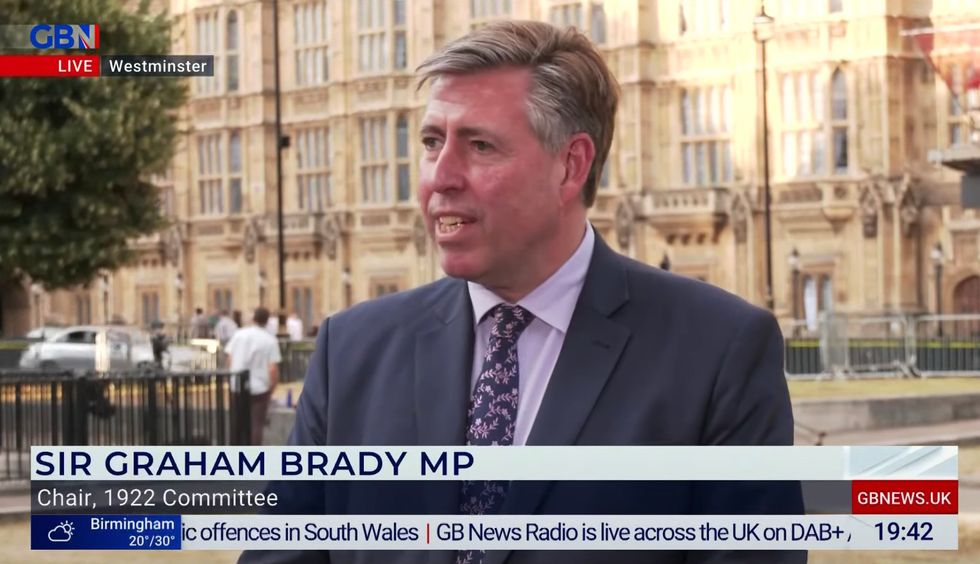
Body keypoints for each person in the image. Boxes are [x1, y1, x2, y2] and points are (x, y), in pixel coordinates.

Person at [242, 21, 803, 564]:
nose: (441, 176)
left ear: (570, 166)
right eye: (432, 141)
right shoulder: (353, 350)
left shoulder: (717, 353)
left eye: (480, 145)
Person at [225, 307, 282, 445]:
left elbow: (229, 357)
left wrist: (231, 377)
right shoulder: (270, 340)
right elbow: (273, 368)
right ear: (267, 321)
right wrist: (272, 387)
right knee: (256, 425)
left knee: (237, 424)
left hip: (237, 386)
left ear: (253, 318)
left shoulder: (239, 334)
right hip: (259, 388)